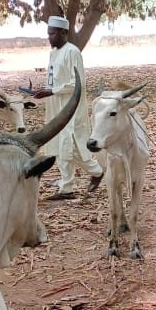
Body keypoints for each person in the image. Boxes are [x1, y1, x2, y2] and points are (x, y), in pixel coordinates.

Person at [33, 15, 103, 200]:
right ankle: (71, 182)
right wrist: (45, 91)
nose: (50, 37)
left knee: (69, 145)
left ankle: (77, 182)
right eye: (48, 33)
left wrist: (52, 91)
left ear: (64, 33)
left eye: (53, 34)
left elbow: (77, 82)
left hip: (70, 107)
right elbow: (55, 79)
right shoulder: (53, 53)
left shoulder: (73, 52)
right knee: (60, 145)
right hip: (55, 106)